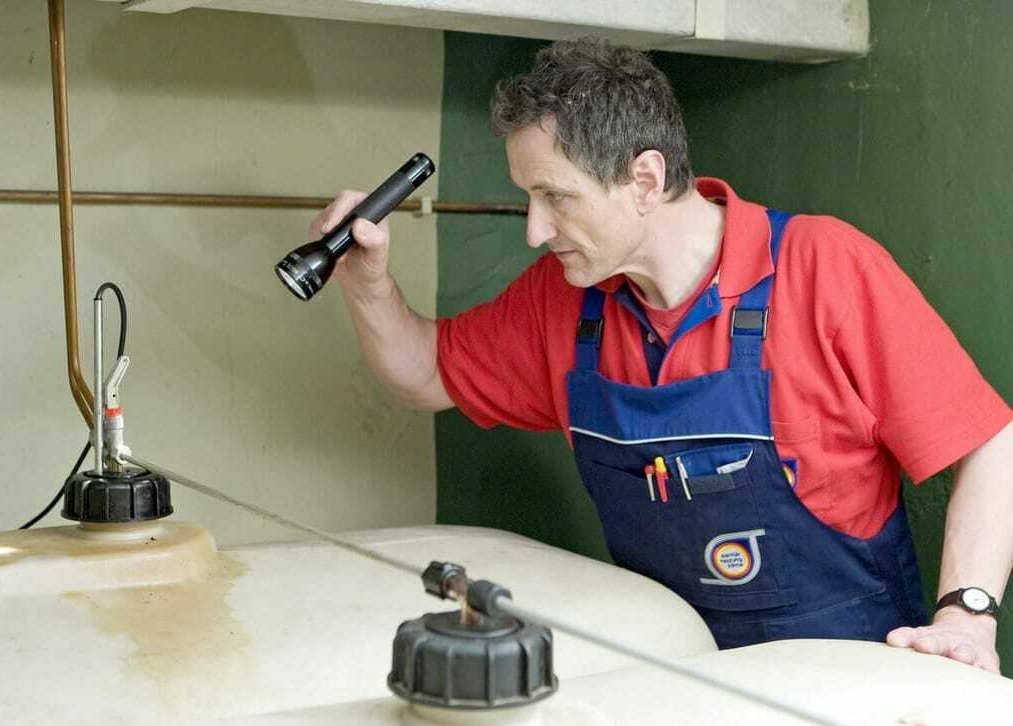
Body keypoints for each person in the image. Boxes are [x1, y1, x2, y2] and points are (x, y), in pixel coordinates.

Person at [310, 38, 1013, 671]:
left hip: (846, 681)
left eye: (556, 197)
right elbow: (426, 375)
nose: (535, 230)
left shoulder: (823, 267)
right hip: (671, 680)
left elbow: (989, 444)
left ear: (645, 179)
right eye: (529, 198)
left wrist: (967, 614)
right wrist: (369, 286)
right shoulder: (561, 297)